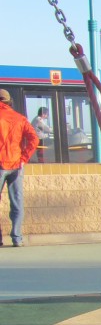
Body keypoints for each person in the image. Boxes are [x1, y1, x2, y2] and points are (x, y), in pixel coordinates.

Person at [0, 89, 39, 248]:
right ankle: (17, 238)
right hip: (16, 164)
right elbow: (34, 139)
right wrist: (24, 158)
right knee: (17, 202)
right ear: (9, 101)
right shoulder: (20, 118)